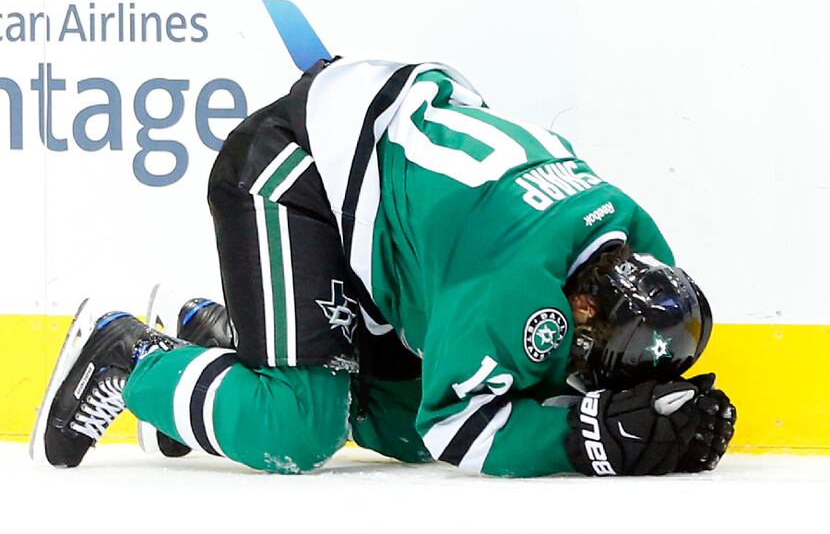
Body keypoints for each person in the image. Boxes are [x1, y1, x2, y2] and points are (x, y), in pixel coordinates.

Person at [30, 57, 736, 477]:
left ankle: (214, 350)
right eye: (586, 353)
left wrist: (617, 406)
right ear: (579, 307)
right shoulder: (510, 283)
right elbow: (461, 429)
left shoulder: (633, 241)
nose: (577, 367)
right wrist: (593, 438)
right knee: (301, 426)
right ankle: (128, 353)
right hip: (296, 166)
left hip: (387, 195)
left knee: (398, 421)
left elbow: (444, 414)